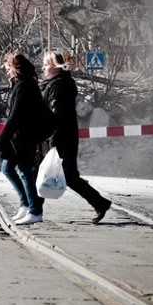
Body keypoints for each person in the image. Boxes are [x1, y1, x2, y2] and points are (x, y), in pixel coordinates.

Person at [41, 51, 112, 224]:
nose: (43, 68)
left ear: (56, 67)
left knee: (66, 175)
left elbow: (57, 115)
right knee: (65, 175)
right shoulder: (58, 83)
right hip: (65, 136)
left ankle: (32, 209)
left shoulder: (58, 86)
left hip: (61, 137)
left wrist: (53, 141)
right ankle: (99, 203)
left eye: (46, 64)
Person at [0, 52, 45, 225]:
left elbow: (15, 115)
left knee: (24, 171)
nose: (7, 71)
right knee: (7, 168)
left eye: (8, 68)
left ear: (15, 68)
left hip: (25, 137)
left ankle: (35, 211)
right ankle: (26, 204)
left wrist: (3, 137)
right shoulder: (20, 84)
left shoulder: (25, 86)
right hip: (19, 137)